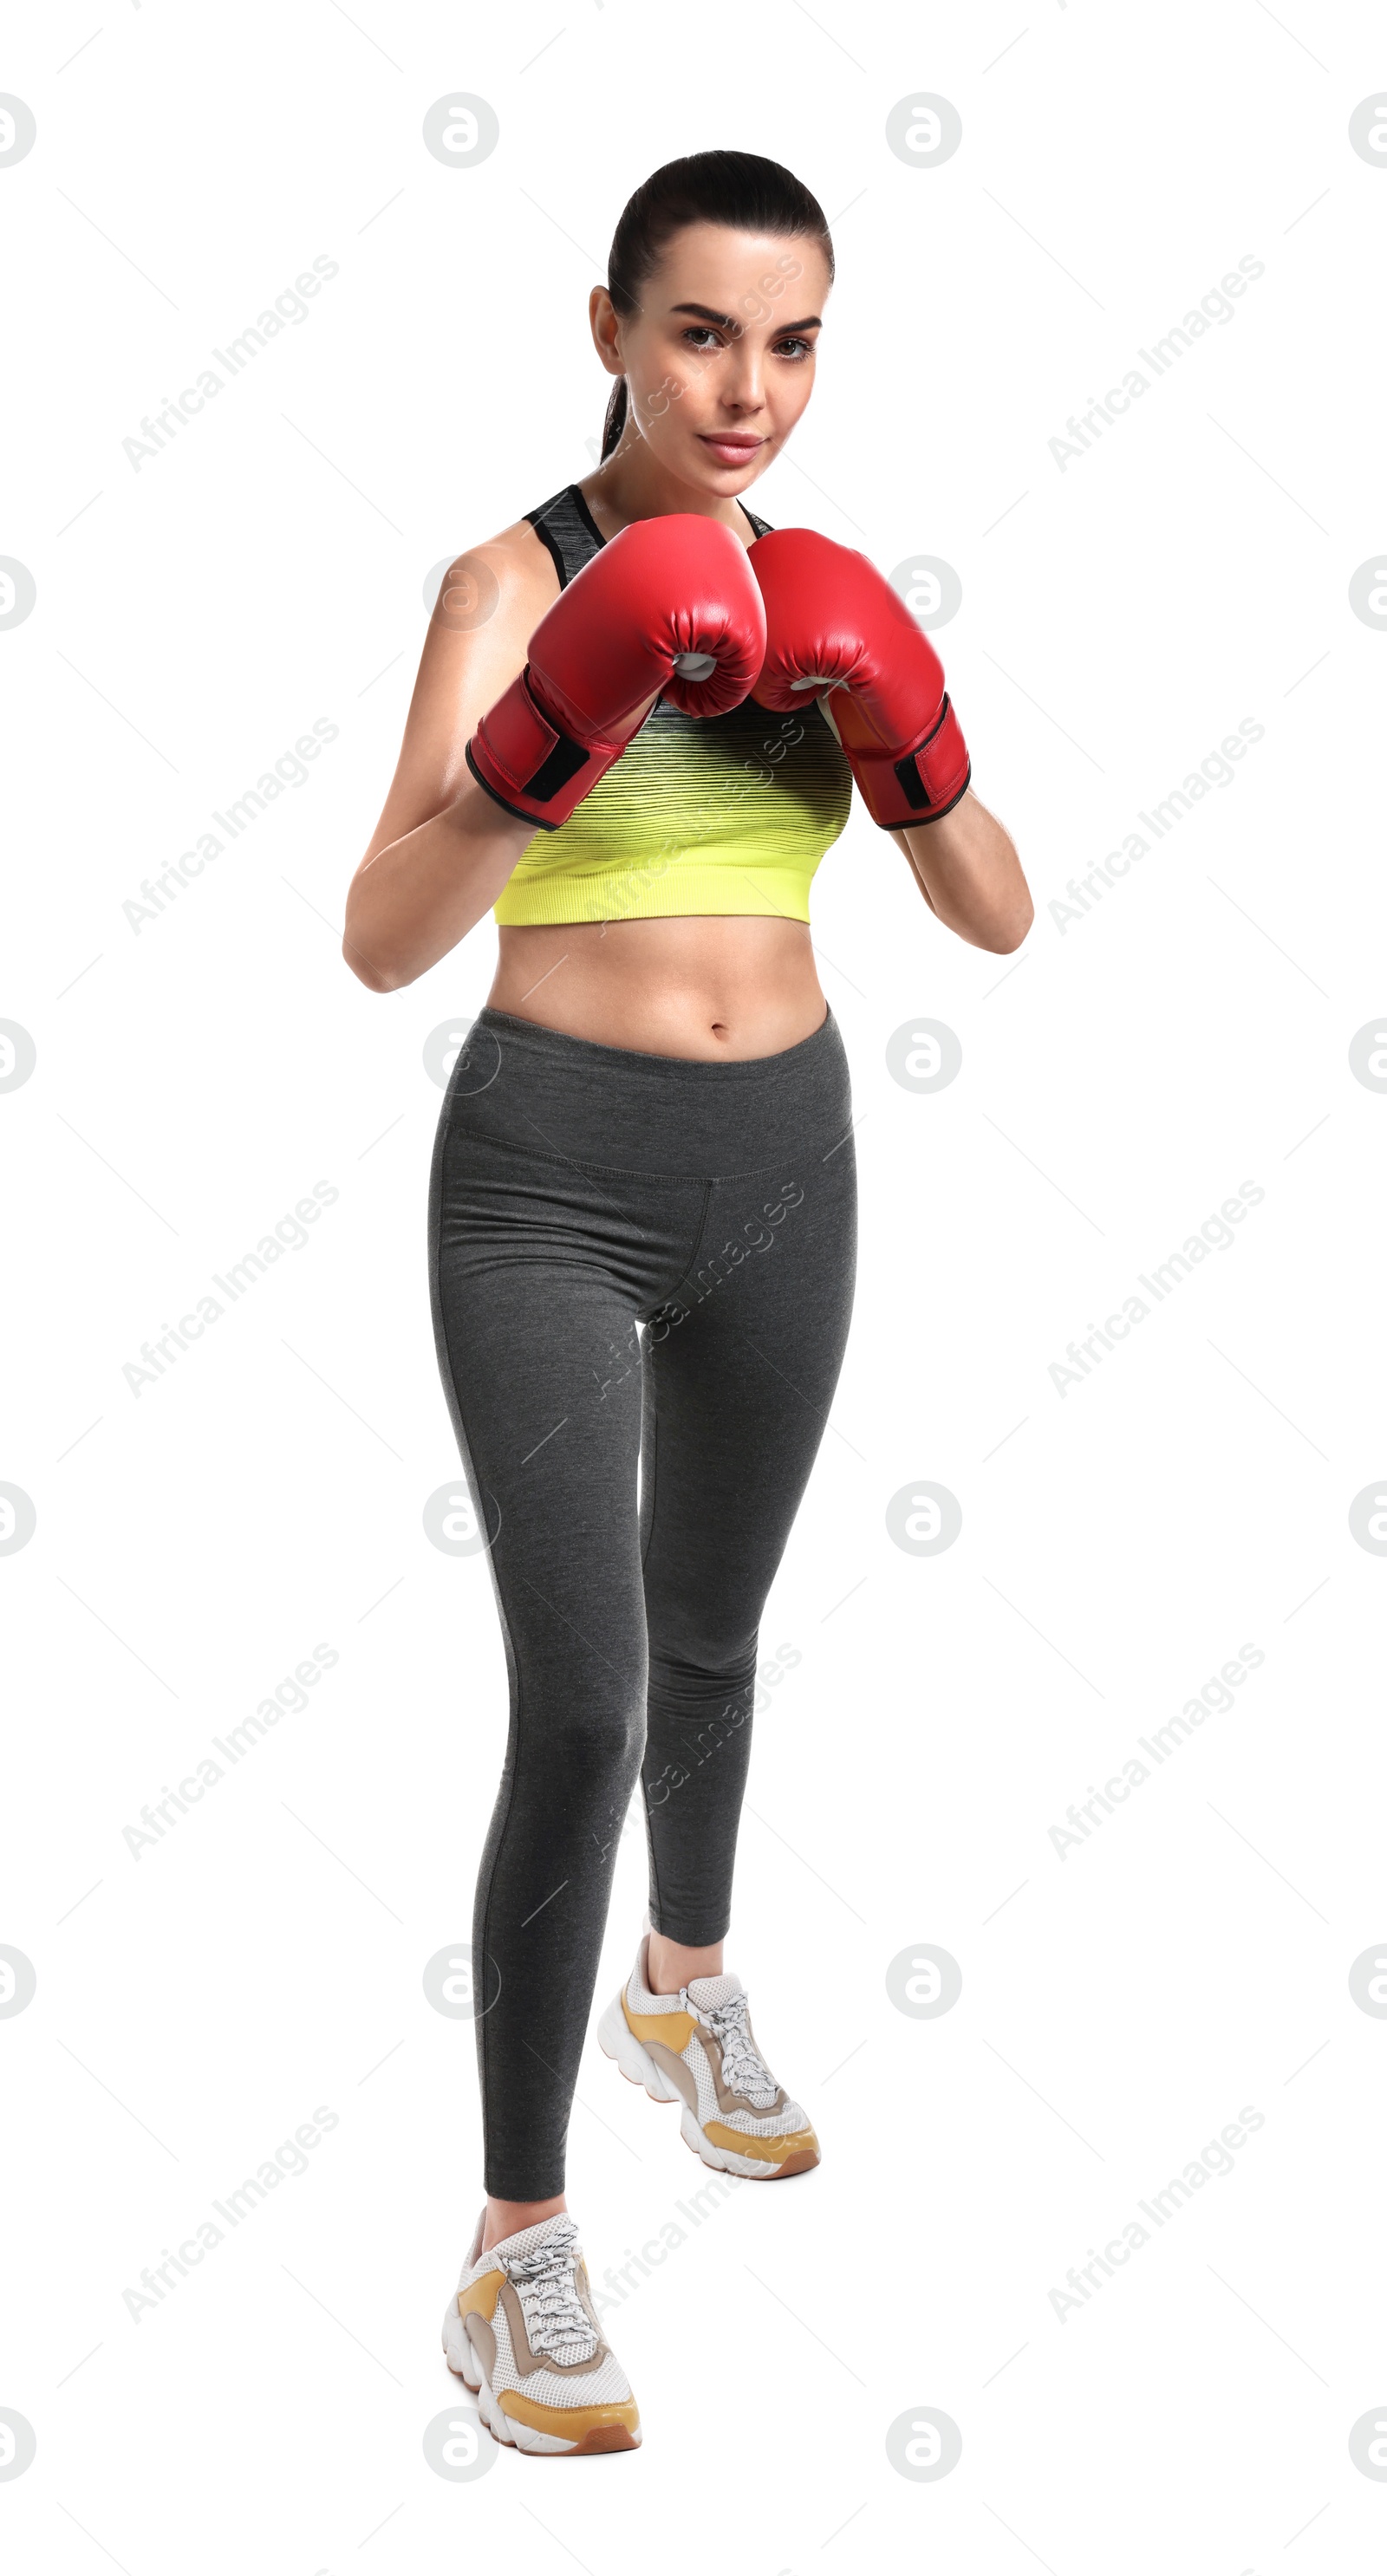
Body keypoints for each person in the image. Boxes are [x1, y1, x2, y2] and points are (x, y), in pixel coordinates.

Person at [343, 147, 1032, 2456]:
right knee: (583, 1691)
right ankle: (513, 2244)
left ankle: (689, 1986)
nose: (749, 385)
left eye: (796, 337)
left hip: (788, 1165)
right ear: (614, 329)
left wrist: (905, 728)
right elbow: (380, 935)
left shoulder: (831, 595)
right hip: (547, 1172)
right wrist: (562, 717)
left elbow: (1000, 910)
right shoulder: (505, 577)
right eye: (704, 331)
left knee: (718, 1629)